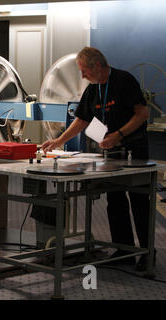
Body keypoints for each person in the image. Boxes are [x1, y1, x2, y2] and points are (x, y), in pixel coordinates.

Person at [42, 46, 154, 272]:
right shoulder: (92, 90)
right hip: (111, 154)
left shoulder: (124, 81)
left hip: (133, 151)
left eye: (84, 71)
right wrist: (58, 141)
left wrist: (119, 134)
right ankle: (124, 250)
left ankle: (147, 253)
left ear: (99, 66)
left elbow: (142, 114)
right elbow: (82, 120)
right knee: (116, 202)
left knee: (140, 202)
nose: (82, 76)